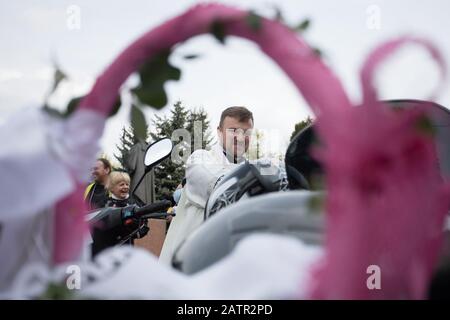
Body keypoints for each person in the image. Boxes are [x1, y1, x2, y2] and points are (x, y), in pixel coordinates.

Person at [159, 106, 254, 264]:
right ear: (220, 131)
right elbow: (222, 187)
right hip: (190, 265)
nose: (240, 137)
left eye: (246, 133)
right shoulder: (200, 159)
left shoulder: (253, 169)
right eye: (233, 130)